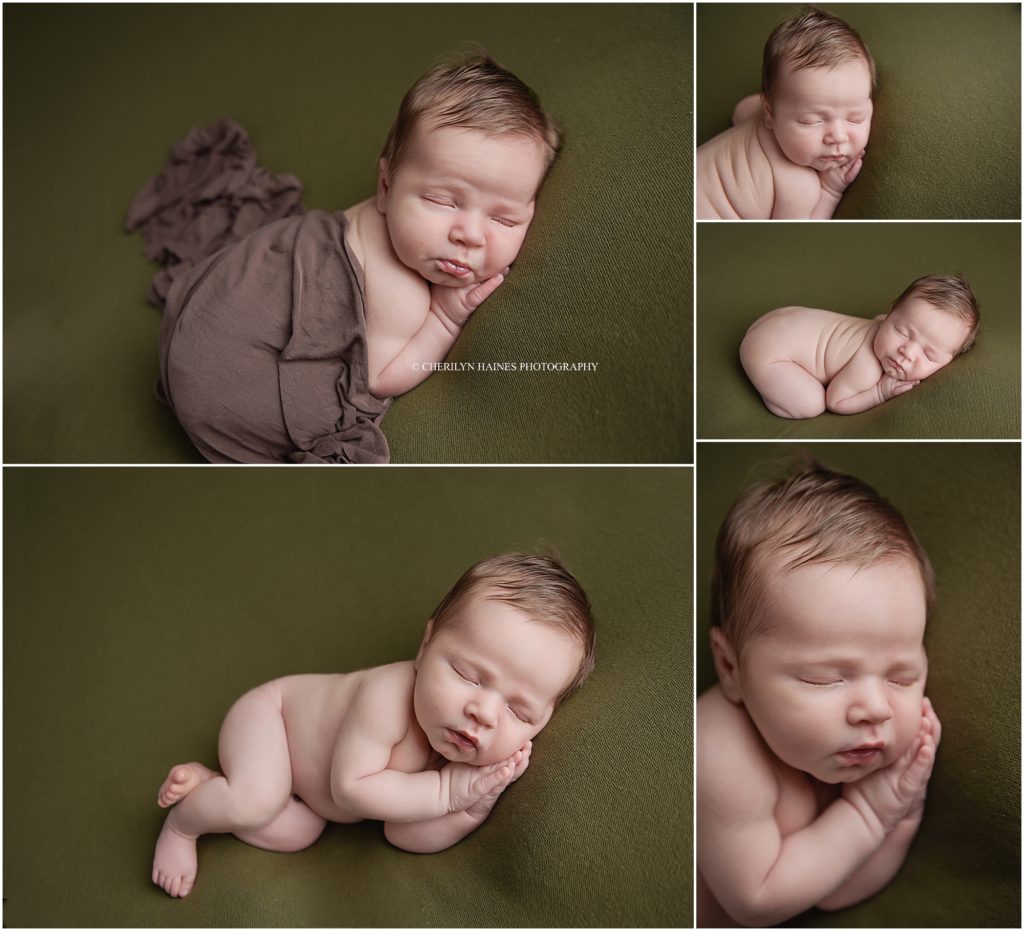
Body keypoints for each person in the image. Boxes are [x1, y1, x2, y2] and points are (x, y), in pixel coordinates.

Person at [127, 52, 560, 462]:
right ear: (386, 188)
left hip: (191, 326)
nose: (468, 235)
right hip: (225, 398)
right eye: (441, 201)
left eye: (504, 220)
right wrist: (445, 320)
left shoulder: (377, 218)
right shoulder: (402, 295)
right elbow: (378, 378)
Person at [152, 553, 596, 898]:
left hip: (310, 798)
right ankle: (183, 824)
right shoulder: (388, 695)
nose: (484, 712)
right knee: (258, 798)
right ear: (426, 647)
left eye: (520, 712)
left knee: (297, 832)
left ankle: (214, 787)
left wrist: (471, 807)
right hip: (272, 721)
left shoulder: (464, 747)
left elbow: (402, 832)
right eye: (467, 675)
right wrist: (447, 793)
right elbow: (351, 789)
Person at [697, 460, 941, 926]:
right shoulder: (718, 749)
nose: (874, 708)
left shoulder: (841, 756)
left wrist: (902, 811)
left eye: (901, 677)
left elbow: (832, 892)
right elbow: (757, 901)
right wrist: (869, 814)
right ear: (730, 667)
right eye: (824, 679)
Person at [697, 6, 873, 219]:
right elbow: (795, 233)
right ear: (769, 113)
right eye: (811, 121)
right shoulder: (799, 187)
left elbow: (739, 111)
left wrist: (784, 99)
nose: (837, 136)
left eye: (855, 118)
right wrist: (829, 190)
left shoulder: (757, 112)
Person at [739, 274, 979, 418]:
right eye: (902, 331)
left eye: (929, 355)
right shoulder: (866, 366)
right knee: (812, 404)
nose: (907, 352)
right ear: (890, 313)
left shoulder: (879, 324)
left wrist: (897, 331)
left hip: (777, 319)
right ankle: (771, 392)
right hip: (768, 352)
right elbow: (836, 401)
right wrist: (879, 392)